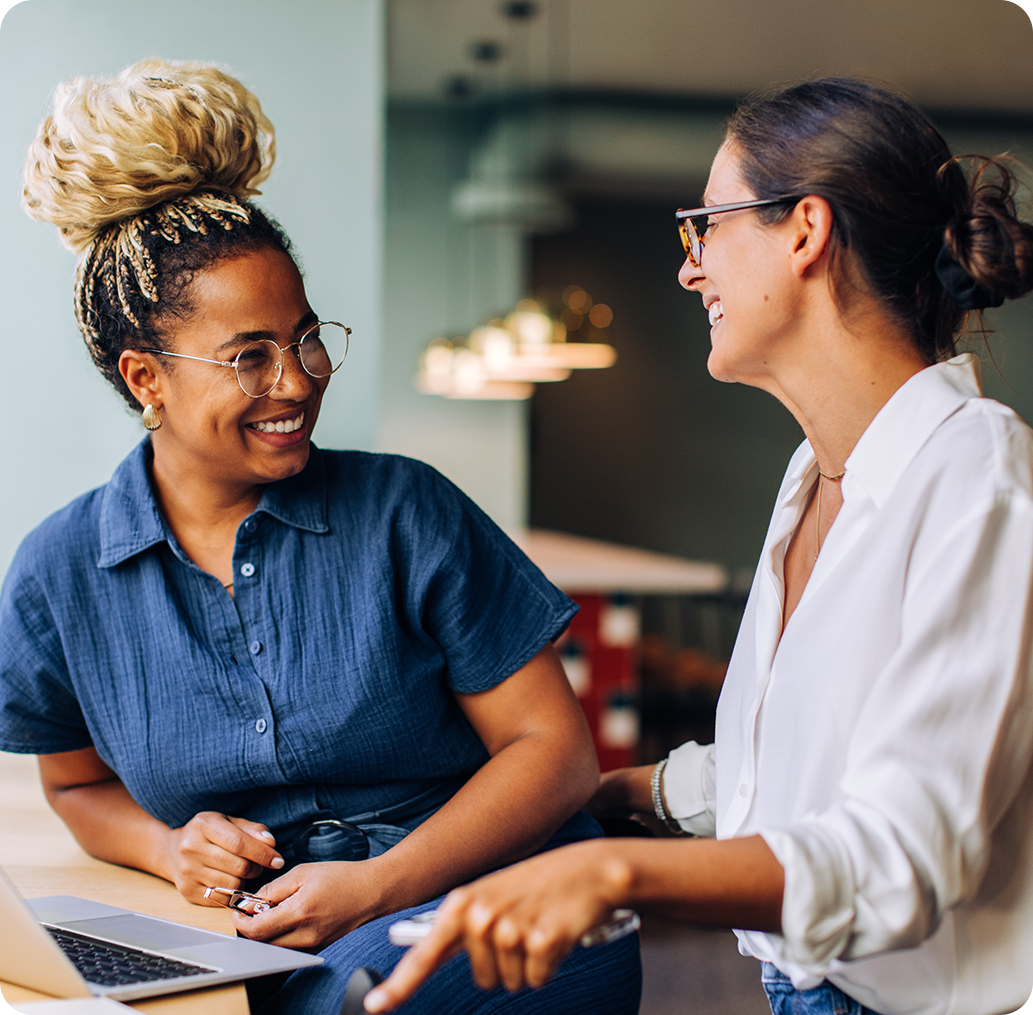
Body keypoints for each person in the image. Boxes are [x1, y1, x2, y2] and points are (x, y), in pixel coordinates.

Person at [367, 78, 1033, 1015]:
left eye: (704, 228)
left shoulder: (979, 479)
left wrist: (611, 873)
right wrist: (600, 796)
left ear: (804, 232)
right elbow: (791, 765)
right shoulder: (811, 474)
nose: (689, 271)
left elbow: (901, 854)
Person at [0, 59, 641, 1015]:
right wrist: (170, 848)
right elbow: (77, 785)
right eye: (249, 357)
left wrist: (379, 885)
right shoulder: (58, 573)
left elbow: (554, 752)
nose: (297, 381)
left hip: (504, 894)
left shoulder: (406, 510)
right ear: (145, 379)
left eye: (305, 338)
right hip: (274, 928)